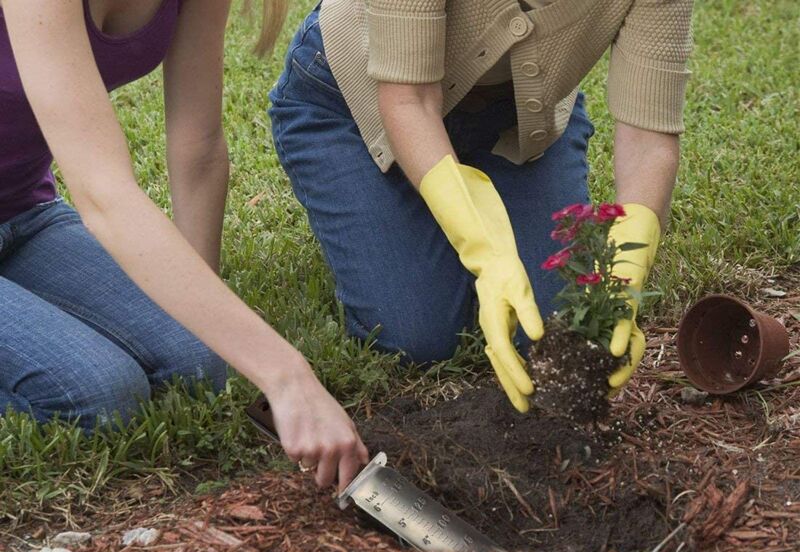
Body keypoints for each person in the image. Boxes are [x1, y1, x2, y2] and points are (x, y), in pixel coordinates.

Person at [0, 0, 367, 492]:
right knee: (96, 396)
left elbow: (198, 147)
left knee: (197, 359)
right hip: (50, 209)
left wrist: (203, 326)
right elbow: (103, 194)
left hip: (23, 211)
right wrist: (287, 375)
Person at [269, 0, 694, 412]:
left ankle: (448, 207)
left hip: (517, 119)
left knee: (558, 327)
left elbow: (648, 139)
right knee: (420, 335)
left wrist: (626, 268)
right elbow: (408, 99)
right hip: (359, 98)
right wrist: (485, 252)